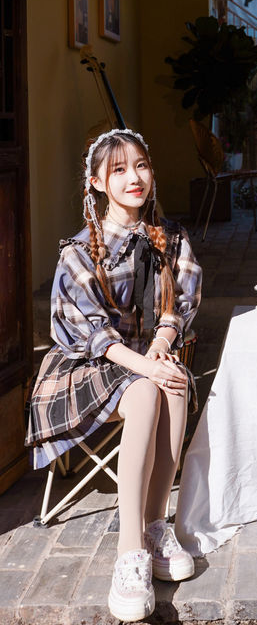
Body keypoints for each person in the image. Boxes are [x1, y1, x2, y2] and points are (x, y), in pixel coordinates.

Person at [25, 128, 201, 623]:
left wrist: (162, 350)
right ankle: (131, 551)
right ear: (98, 182)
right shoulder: (79, 253)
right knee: (149, 389)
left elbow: (177, 307)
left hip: (145, 358)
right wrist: (147, 364)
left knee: (176, 379)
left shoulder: (173, 237)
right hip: (84, 367)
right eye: (119, 169)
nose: (134, 178)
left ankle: (156, 522)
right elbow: (95, 338)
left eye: (141, 165)